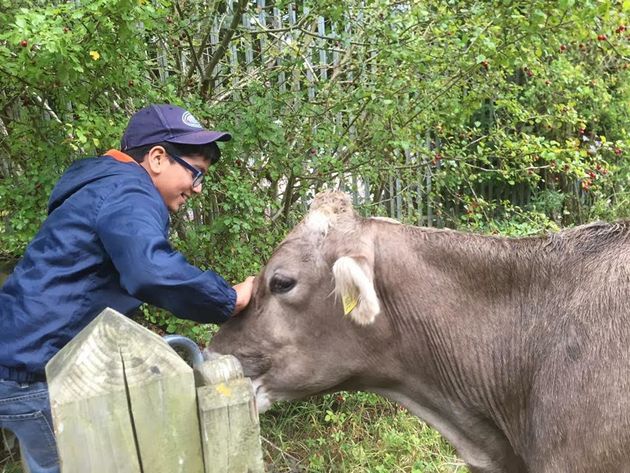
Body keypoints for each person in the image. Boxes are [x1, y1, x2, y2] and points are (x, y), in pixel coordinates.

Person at [0, 104, 255, 473]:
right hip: (34, 373)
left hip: (17, 358)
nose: (197, 189)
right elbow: (151, 270)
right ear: (156, 158)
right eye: (195, 174)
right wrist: (228, 299)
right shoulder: (129, 191)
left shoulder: (103, 185)